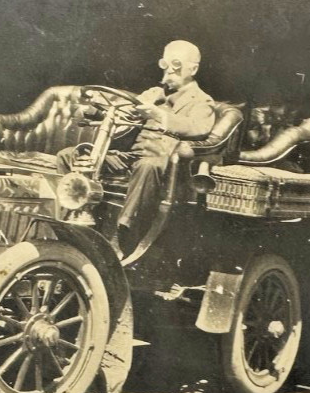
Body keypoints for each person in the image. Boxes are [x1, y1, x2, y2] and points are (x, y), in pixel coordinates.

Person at [57, 39, 216, 245]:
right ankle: (70, 214)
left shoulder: (202, 100)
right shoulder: (153, 93)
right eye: (165, 65)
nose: (168, 72)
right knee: (69, 155)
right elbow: (124, 113)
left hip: (164, 162)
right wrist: (93, 110)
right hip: (133, 157)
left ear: (193, 69)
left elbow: (198, 127)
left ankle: (124, 233)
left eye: (176, 66)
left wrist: (159, 115)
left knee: (147, 165)